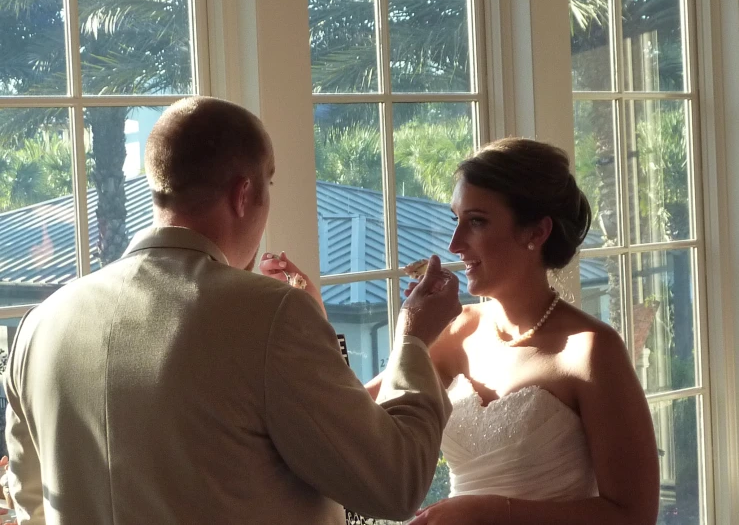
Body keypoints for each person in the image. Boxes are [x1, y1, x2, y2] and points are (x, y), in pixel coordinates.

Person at [3, 96, 462, 525]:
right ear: (244, 194)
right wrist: (413, 340)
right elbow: (395, 483)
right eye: (271, 183)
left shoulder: (39, 325)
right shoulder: (271, 314)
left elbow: (32, 507)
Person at [367, 138, 660, 525]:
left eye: (476, 221)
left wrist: (489, 512)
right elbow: (353, 414)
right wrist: (312, 312)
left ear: (536, 232)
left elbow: (634, 514)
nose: (455, 244)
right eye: (456, 219)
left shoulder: (589, 350)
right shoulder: (455, 331)